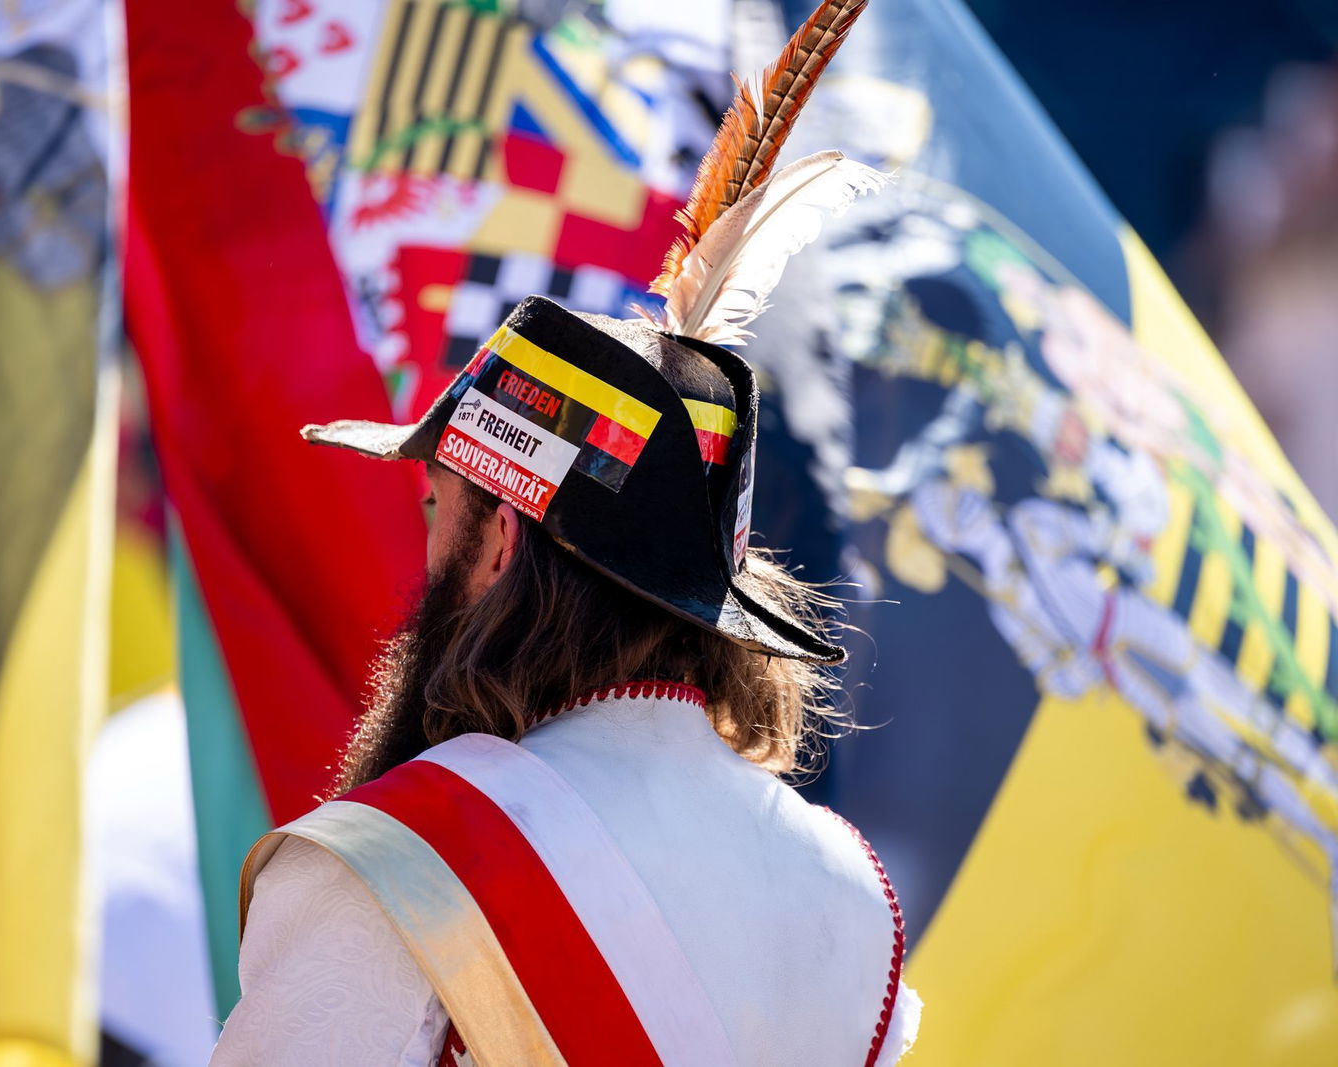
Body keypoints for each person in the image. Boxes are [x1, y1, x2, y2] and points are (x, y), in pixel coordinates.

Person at [212, 1, 920, 1061]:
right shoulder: (856, 899)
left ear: (500, 537)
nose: (424, 551)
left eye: (435, 508)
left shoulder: (388, 866)